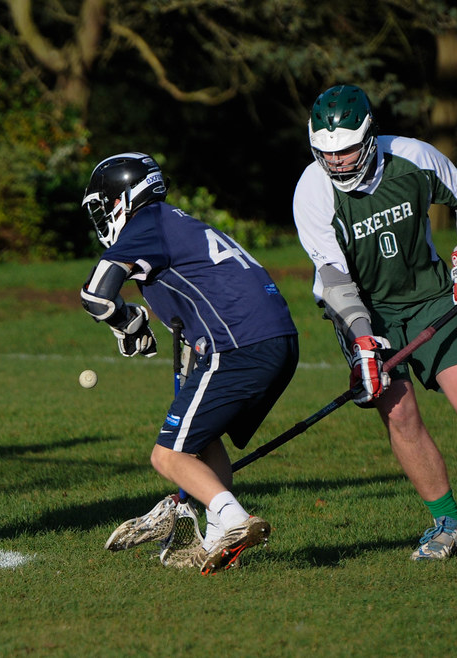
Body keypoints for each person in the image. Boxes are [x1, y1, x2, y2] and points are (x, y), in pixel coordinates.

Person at [292, 84, 457, 560]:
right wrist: (364, 340)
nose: (338, 161)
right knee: (400, 413)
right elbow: (334, 278)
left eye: (347, 150)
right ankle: (446, 524)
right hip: (362, 308)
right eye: (328, 152)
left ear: (370, 137)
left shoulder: (412, 157)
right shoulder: (312, 192)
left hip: (427, 296)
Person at [80, 152, 300, 574]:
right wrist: (138, 327)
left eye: (103, 205)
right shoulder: (176, 223)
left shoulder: (146, 225)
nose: (102, 216)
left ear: (124, 199)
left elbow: (95, 295)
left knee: (166, 457)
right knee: (203, 438)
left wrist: (126, 321)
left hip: (240, 344)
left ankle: (235, 519)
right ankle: (218, 537)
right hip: (278, 341)